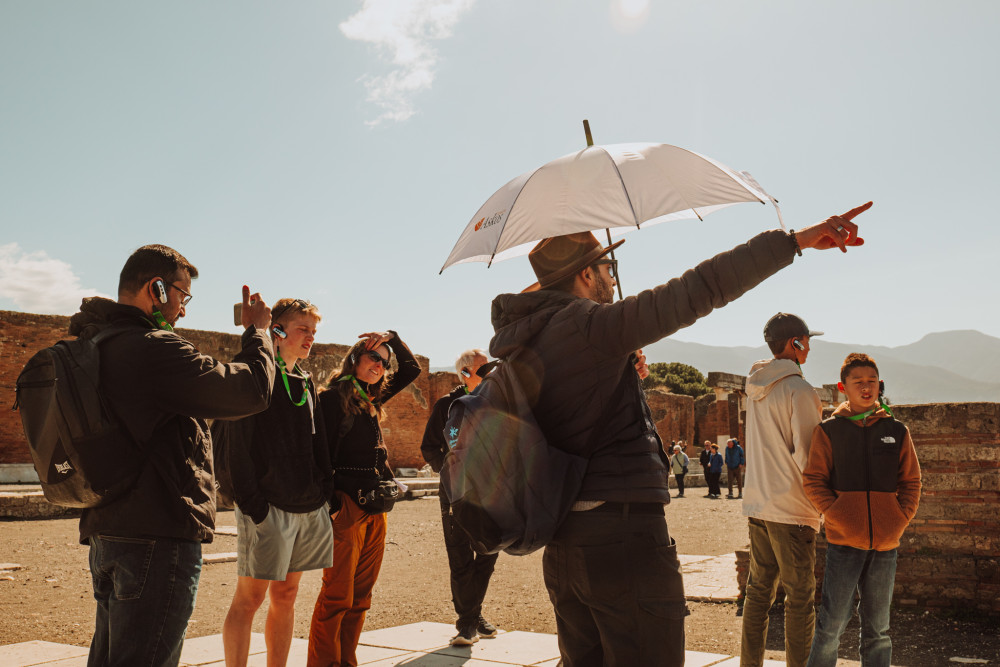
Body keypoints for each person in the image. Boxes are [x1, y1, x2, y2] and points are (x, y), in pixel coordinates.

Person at [488, 202, 870, 666]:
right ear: (586, 275)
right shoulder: (591, 326)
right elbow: (700, 287)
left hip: (565, 544)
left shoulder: (528, 343)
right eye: (607, 268)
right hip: (622, 539)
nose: (612, 278)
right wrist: (794, 242)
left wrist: (619, 371)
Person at [67, 244, 275, 667]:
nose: (183, 309)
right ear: (156, 288)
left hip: (108, 528)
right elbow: (250, 390)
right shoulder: (153, 348)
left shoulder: (95, 344)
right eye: (182, 295)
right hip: (156, 534)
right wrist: (259, 332)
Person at [222, 298, 335, 667]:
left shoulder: (306, 381)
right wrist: (254, 507)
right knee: (249, 600)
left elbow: (318, 443)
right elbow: (237, 448)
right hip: (266, 508)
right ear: (277, 330)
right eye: (303, 329)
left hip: (306, 505)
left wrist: (324, 492)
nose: (310, 337)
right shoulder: (255, 375)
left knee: (286, 596)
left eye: (313, 331)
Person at [308, 331, 421, 667]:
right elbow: (317, 454)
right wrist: (331, 504)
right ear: (355, 358)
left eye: (385, 362)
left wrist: (393, 338)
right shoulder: (331, 399)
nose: (380, 366)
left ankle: (347, 662)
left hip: (376, 506)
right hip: (347, 505)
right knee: (336, 596)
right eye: (374, 357)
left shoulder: (372, 397)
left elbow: (411, 369)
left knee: (361, 597)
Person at [803, 353, 921, 667]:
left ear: (880, 385)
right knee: (831, 626)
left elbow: (911, 480)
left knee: (879, 630)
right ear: (843, 387)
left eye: (872, 381)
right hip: (843, 544)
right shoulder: (829, 431)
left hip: (886, 546)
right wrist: (838, 514)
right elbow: (813, 480)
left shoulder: (897, 431)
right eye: (858, 382)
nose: (866, 387)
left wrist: (899, 518)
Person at [740, 312, 826, 667]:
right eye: (807, 341)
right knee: (800, 599)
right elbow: (808, 455)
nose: (810, 348)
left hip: (759, 503)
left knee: (758, 594)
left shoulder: (755, 388)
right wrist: (821, 505)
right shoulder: (799, 391)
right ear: (795, 343)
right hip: (792, 508)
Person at [420, 349, 501, 646]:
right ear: (465, 373)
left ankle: (472, 615)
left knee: (489, 552)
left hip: (492, 492)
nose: (491, 373)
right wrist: (451, 473)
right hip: (456, 493)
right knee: (461, 557)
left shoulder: (497, 402)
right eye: (483, 368)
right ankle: (467, 623)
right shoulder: (446, 405)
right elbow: (429, 447)